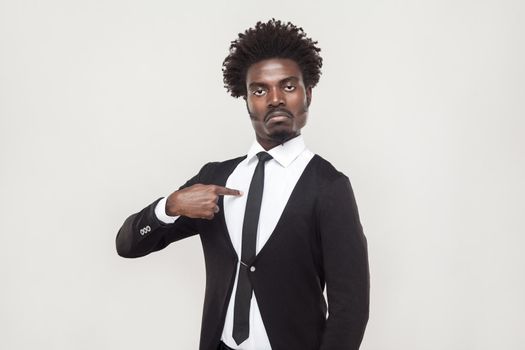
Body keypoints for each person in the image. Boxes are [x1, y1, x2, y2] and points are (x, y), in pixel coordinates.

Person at [116, 19, 369, 350]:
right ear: (246, 100)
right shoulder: (217, 177)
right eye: (260, 90)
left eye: (288, 86)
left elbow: (350, 310)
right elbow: (127, 244)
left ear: (308, 94)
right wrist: (171, 205)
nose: (275, 99)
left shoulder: (329, 187)